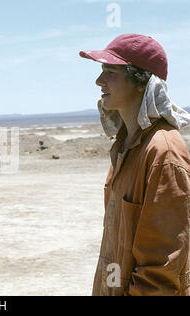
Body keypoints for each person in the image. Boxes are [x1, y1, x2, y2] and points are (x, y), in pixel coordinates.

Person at [80, 34, 190, 296]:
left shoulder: (163, 153)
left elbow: (160, 272)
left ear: (141, 81)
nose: (99, 81)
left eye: (110, 71)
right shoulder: (125, 145)